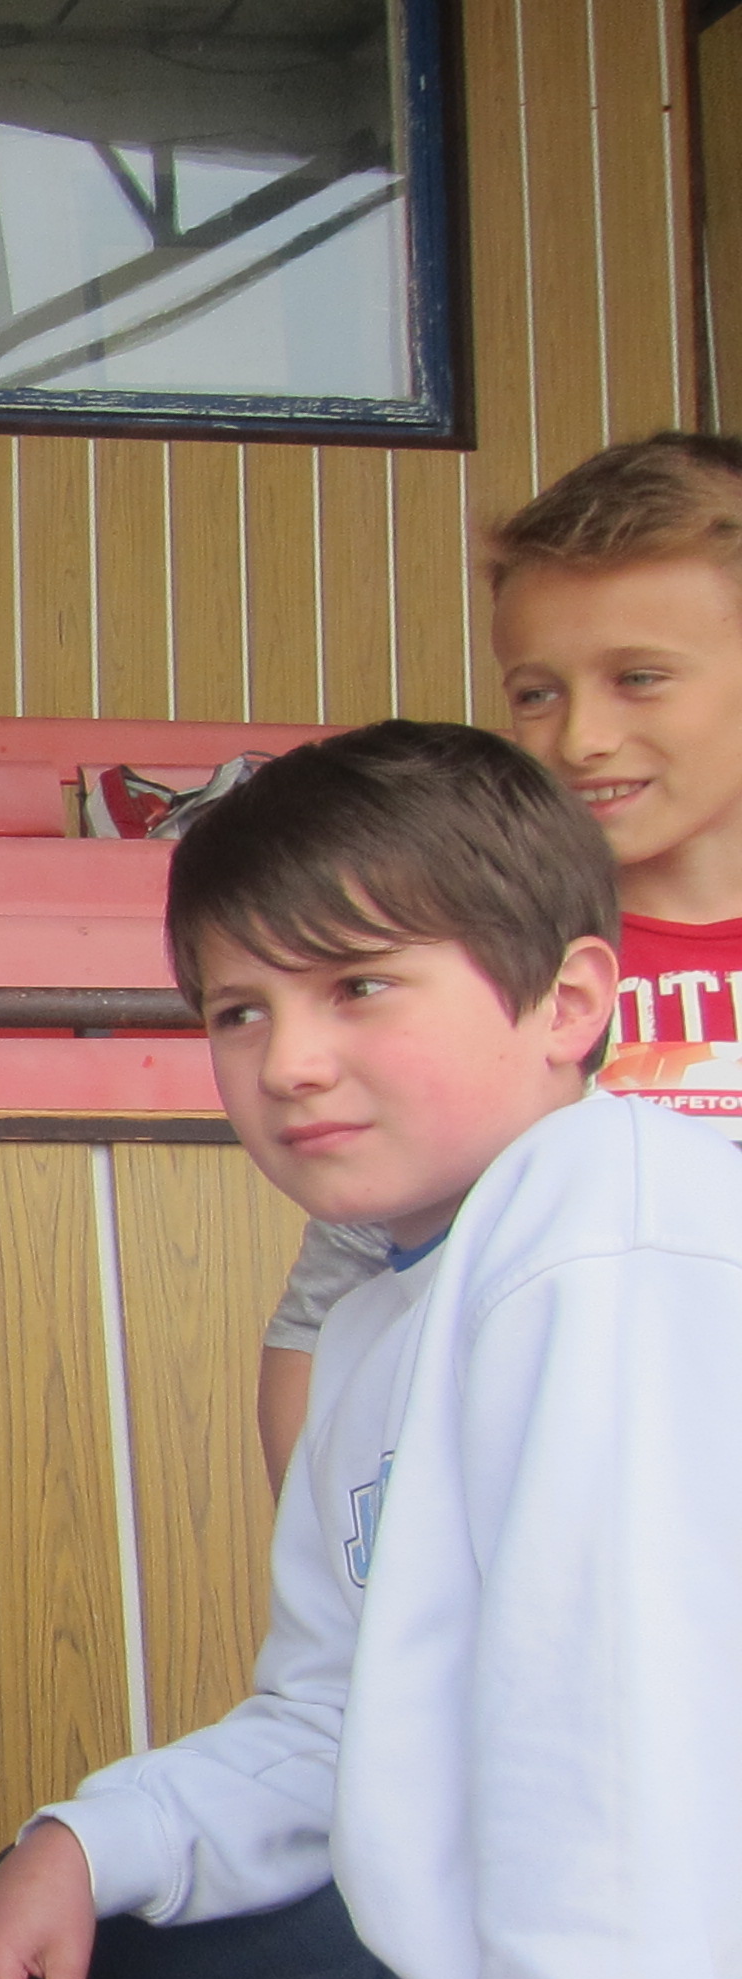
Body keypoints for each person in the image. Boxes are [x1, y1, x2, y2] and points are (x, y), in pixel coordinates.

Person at [0, 723, 742, 1979]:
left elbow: (620, 1765)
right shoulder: (382, 1315)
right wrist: (82, 1839)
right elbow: (340, 1717)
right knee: (115, 1945)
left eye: (358, 987)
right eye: (237, 1013)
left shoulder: (604, 1236)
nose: (290, 1062)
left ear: (569, 1001)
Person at [257, 435, 742, 1488]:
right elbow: (326, 1319)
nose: (582, 738)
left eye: (640, 678)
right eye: (536, 693)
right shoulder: (480, 964)